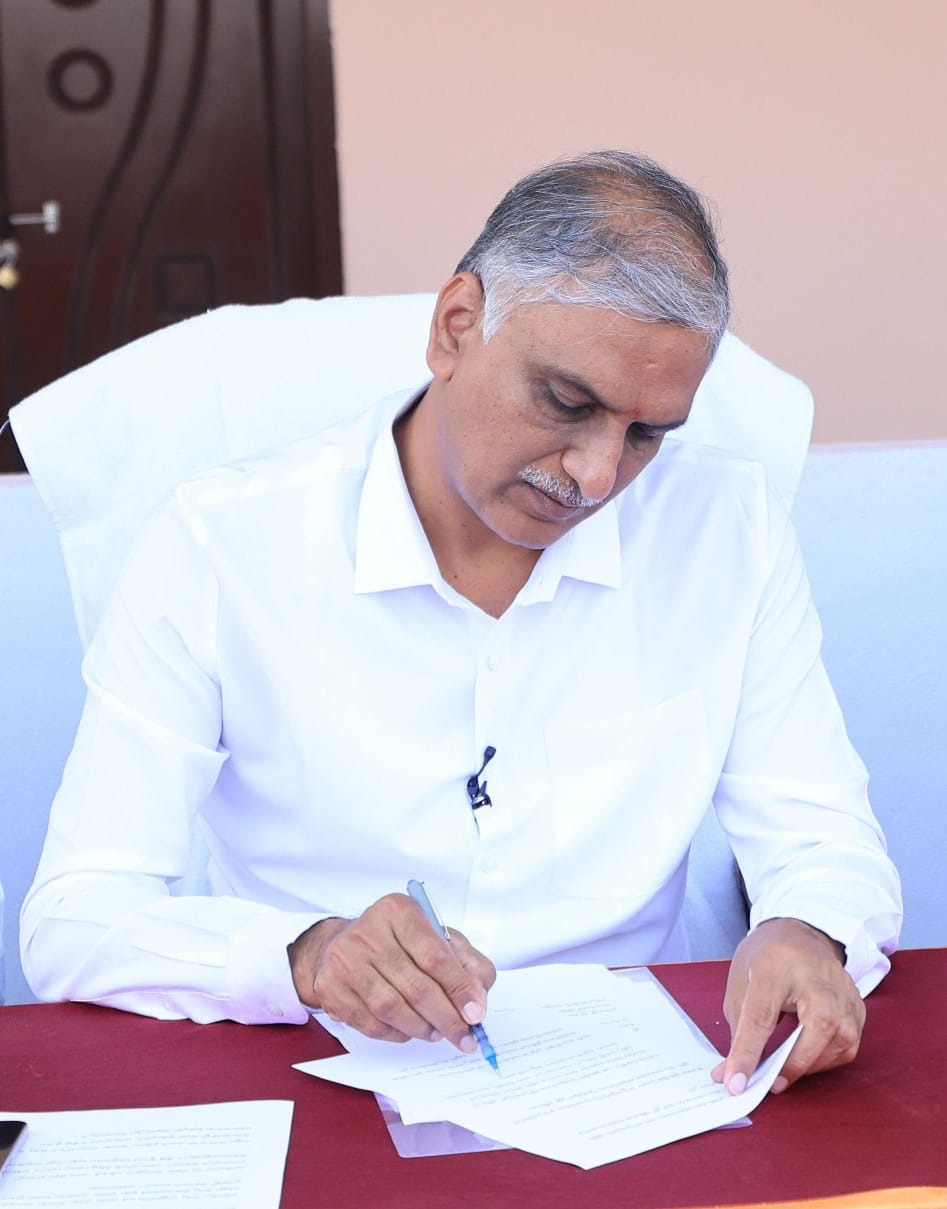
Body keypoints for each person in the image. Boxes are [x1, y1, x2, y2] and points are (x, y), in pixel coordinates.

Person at [21, 150, 901, 1096]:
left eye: (647, 433)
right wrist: (304, 953)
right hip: (312, 1076)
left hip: (641, 1091)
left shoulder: (728, 530)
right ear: (455, 328)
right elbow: (75, 914)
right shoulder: (221, 544)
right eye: (566, 402)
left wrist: (807, 927)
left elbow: (824, 841)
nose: (596, 474)